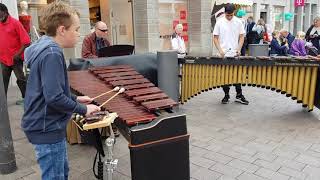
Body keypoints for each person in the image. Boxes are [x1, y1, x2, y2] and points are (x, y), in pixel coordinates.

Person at [21, 2, 101, 180]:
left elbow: (52, 90)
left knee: (61, 173)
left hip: (45, 125)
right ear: (62, 30)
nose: (79, 34)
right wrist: (84, 110)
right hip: (46, 127)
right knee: (55, 177)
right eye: (76, 29)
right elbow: (54, 97)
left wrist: (75, 99)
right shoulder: (52, 53)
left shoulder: (47, 48)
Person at [213, 3, 249, 105]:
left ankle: (239, 95)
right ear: (224, 13)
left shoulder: (238, 22)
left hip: (234, 53)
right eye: (227, 15)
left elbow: (242, 36)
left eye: (231, 15)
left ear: (234, 13)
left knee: (237, 75)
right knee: (224, 76)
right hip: (223, 54)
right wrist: (220, 50)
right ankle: (226, 95)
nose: (229, 17)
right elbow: (215, 38)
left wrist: (239, 48)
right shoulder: (219, 22)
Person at [0, 3, 30, 105]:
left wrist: (18, 54)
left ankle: (26, 99)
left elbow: (26, 41)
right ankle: (2, 101)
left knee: (21, 79)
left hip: (15, 58)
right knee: (3, 81)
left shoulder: (15, 23)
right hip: (3, 59)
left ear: (4, 12)